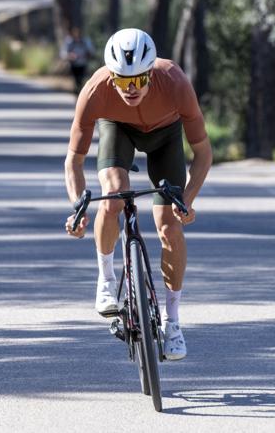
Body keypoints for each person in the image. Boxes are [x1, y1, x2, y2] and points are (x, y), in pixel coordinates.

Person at [64, 28, 212, 361]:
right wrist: (77, 207)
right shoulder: (95, 91)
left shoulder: (174, 81)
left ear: (150, 73)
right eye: (122, 81)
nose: (131, 89)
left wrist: (187, 200)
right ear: (110, 77)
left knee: (168, 226)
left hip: (166, 135)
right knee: (114, 195)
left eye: (139, 80)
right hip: (119, 130)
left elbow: (203, 153)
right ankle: (106, 278)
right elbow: (73, 160)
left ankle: (173, 323)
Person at [62, 27, 95, 94]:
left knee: (81, 79)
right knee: (75, 79)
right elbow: (63, 53)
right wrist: (70, 55)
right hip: (73, 64)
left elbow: (91, 51)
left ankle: (80, 91)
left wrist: (86, 55)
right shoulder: (70, 42)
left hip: (83, 64)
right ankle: (77, 91)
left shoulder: (85, 41)